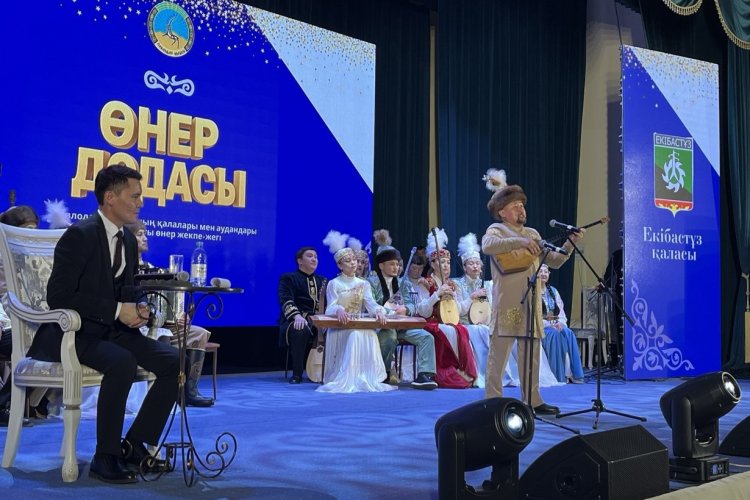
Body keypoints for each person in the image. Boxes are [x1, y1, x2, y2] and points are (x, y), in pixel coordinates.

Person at [27, 164, 179, 483]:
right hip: (75, 333)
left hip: (113, 332)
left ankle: (134, 445)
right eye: (134, 196)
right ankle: (105, 456)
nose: (140, 202)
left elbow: (128, 289)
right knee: (121, 362)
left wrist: (141, 306)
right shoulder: (79, 236)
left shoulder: (127, 240)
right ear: (110, 197)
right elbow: (59, 296)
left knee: (174, 361)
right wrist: (116, 310)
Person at [481, 169, 582, 415]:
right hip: (508, 304)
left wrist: (569, 244)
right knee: (499, 356)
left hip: (532, 303)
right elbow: (487, 246)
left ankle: (533, 400)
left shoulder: (533, 233)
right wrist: (521, 242)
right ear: (502, 212)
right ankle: (493, 402)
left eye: (522, 205)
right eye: (515, 206)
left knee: (532, 355)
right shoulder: (496, 230)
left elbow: (555, 261)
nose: (521, 210)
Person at [126, 219, 213, 407]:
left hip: (162, 324)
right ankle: (166, 391)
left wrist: (179, 315)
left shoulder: (153, 269)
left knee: (198, 333)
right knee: (162, 336)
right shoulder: (125, 269)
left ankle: (188, 391)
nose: (145, 238)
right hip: (138, 326)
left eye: (145, 233)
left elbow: (168, 300)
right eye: (140, 234)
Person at [317, 231, 394, 393]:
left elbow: (371, 303)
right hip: (340, 325)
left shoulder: (363, 284)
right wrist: (339, 310)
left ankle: (364, 376)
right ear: (340, 265)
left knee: (370, 334)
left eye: (354, 260)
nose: (353, 263)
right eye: (348, 261)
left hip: (358, 322)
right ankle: (346, 376)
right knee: (355, 335)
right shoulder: (334, 283)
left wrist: (379, 311)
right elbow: (330, 307)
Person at [412, 228, 477, 389]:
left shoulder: (452, 284)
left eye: (448, 262)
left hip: (448, 322)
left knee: (461, 330)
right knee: (449, 330)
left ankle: (462, 370)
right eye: (442, 262)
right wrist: (437, 294)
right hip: (431, 323)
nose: (446, 265)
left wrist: (459, 298)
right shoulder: (425, 282)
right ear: (433, 264)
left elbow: (459, 311)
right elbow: (423, 311)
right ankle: (446, 370)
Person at [278, 246, 326, 384]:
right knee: (301, 328)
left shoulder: (323, 281)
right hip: (296, 319)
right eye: (310, 256)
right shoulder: (288, 278)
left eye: (316, 257)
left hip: (320, 320)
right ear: (300, 261)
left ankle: (332, 373)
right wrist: (297, 316)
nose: (314, 259)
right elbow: (286, 299)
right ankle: (297, 374)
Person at [538, 264, 585, 384]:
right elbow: (533, 316)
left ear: (549, 274)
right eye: (540, 271)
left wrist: (560, 323)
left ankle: (574, 374)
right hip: (541, 327)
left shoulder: (553, 291)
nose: (543, 274)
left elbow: (561, 312)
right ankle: (557, 375)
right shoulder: (533, 292)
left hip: (555, 324)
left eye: (546, 272)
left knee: (568, 333)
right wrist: (549, 324)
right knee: (555, 335)